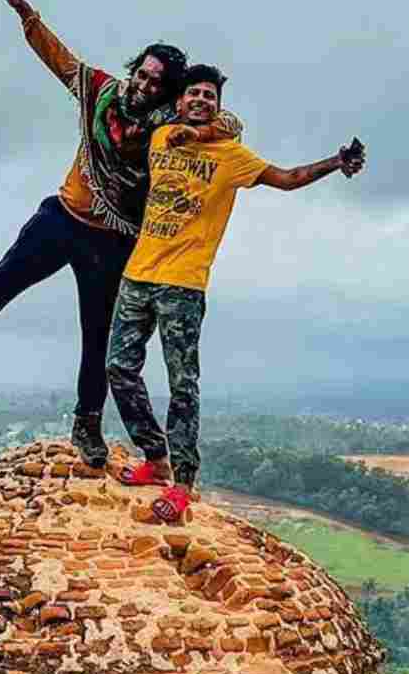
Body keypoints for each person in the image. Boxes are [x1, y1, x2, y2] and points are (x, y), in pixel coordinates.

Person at [0, 0, 240, 469]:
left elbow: (229, 126)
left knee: (97, 335)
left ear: (168, 90)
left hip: (114, 239)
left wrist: (214, 123)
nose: (143, 84)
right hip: (62, 218)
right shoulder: (99, 91)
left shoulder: (171, 128)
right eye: (141, 73)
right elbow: (57, 56)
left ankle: (87, 423)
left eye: (155, 81)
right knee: (0, 282)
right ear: (133, 69)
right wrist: (23, 12)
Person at [107, 64, 365, 523]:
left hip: (183, 283)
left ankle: (183, 484)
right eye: (194, 94)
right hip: (137, 274)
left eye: (210, 95)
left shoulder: (233, 155)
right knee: (119, 368)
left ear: (219, 107)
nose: (202, 100)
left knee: (182, 384)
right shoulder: (161, 136)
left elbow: (288, 178)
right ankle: (155, 457)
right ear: (180, 101)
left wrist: (334, 161)